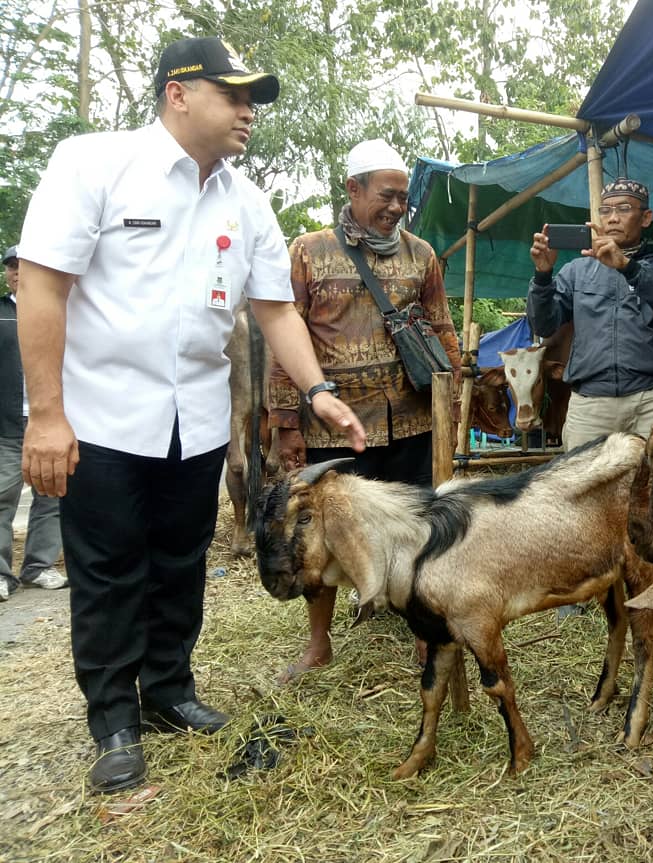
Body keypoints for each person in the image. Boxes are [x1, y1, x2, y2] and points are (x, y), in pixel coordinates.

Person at [16, 37, 366, 795]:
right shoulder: (94, 163)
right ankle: (113, 718)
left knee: (180, 563)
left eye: (252, 100)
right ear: (178, 94)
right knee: (109, 570)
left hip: (197, 423)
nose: (248, 112)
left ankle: (169, 690)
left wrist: (317, 391)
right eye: (233, 95)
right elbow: (40, 285)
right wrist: (46, 415)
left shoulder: (245, 201)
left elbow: (274, 309)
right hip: (102, 419)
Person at [268, 138, 461, 684]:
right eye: (386, 195)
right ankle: (319, 644)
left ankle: (426, 638)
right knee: (322, 536)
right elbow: (287, 342)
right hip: (335, 428)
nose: (397, 207)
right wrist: (286, 425)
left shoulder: (422, 255)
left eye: (403, 198)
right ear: (352, 190)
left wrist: (455, 395)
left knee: (418, 529)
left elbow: (443, 328)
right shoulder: (308, 251)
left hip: (414, 421)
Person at [526, 177, 653, 627]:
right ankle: (575, 589)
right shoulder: (576, 272)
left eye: (625, 209)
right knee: (578, 493)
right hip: (590, 400)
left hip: (649, 397)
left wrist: (627, 267)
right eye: (607, 210)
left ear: (645, 218)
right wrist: (543, 276)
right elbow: (544, 323)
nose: (614, 217)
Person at [0, 246, 65, 602]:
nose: (17, 272)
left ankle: (39, 566)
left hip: (54, 420)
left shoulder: (62, 312)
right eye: (11, 267)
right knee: (2, 497)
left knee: (51, 495)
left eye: (23, 266)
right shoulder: (1, 313)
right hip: (7, 423)